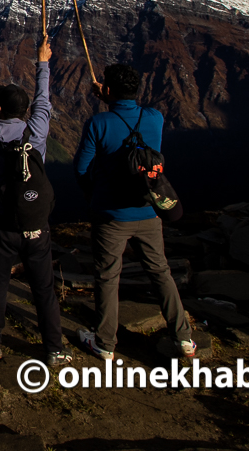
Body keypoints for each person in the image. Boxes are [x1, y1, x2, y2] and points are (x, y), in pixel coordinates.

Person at [74, 63, 194, 360]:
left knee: (107, 276)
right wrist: (112, 99)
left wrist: (94, 192)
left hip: (111, 215)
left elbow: (81, 168)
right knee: (160, 272)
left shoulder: (97, 123)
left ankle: (104, 343)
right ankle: (183, 337)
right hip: (148, 210)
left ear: (109, 90)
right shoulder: (155, 118)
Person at [0, 38, 70, 366]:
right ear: (23, 111)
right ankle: (54, 347)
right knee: (44, 287)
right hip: (35, 223)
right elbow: (44, 100)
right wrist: (43, 63)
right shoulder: (36, 130)